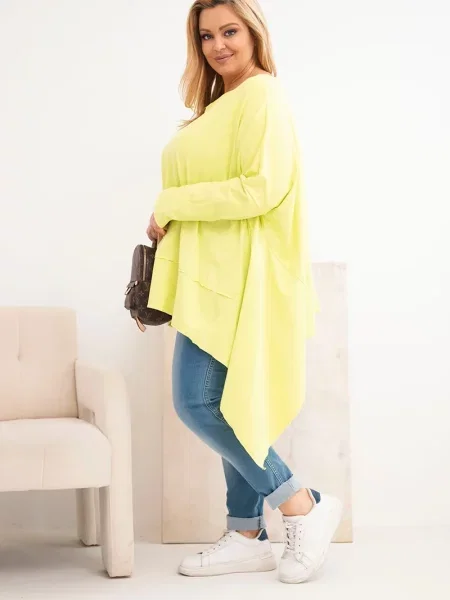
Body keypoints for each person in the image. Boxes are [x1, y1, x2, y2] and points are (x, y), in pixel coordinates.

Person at [146, 0, 342, 585]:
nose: (218, 45)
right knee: (231, 406)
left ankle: (300, 503)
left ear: (254, 33)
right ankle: (247, 533)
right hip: (210, 276)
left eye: (229, 31)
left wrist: (171, 202)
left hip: (241, 278)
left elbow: (261, 188)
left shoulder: (263, 95)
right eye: (206, 35)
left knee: (196, 403)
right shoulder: (217, 107)